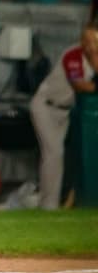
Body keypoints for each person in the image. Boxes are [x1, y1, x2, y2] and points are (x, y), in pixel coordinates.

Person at [30, 26, 97, 210]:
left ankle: (51, 202)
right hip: (45, 106)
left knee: (56, 156)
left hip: (65, 111)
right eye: (87, 40)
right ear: (81, 41)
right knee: (54, 153)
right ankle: (48, 206)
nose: (90, 45)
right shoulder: (73, 54)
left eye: (95, 41)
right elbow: (79, 85)